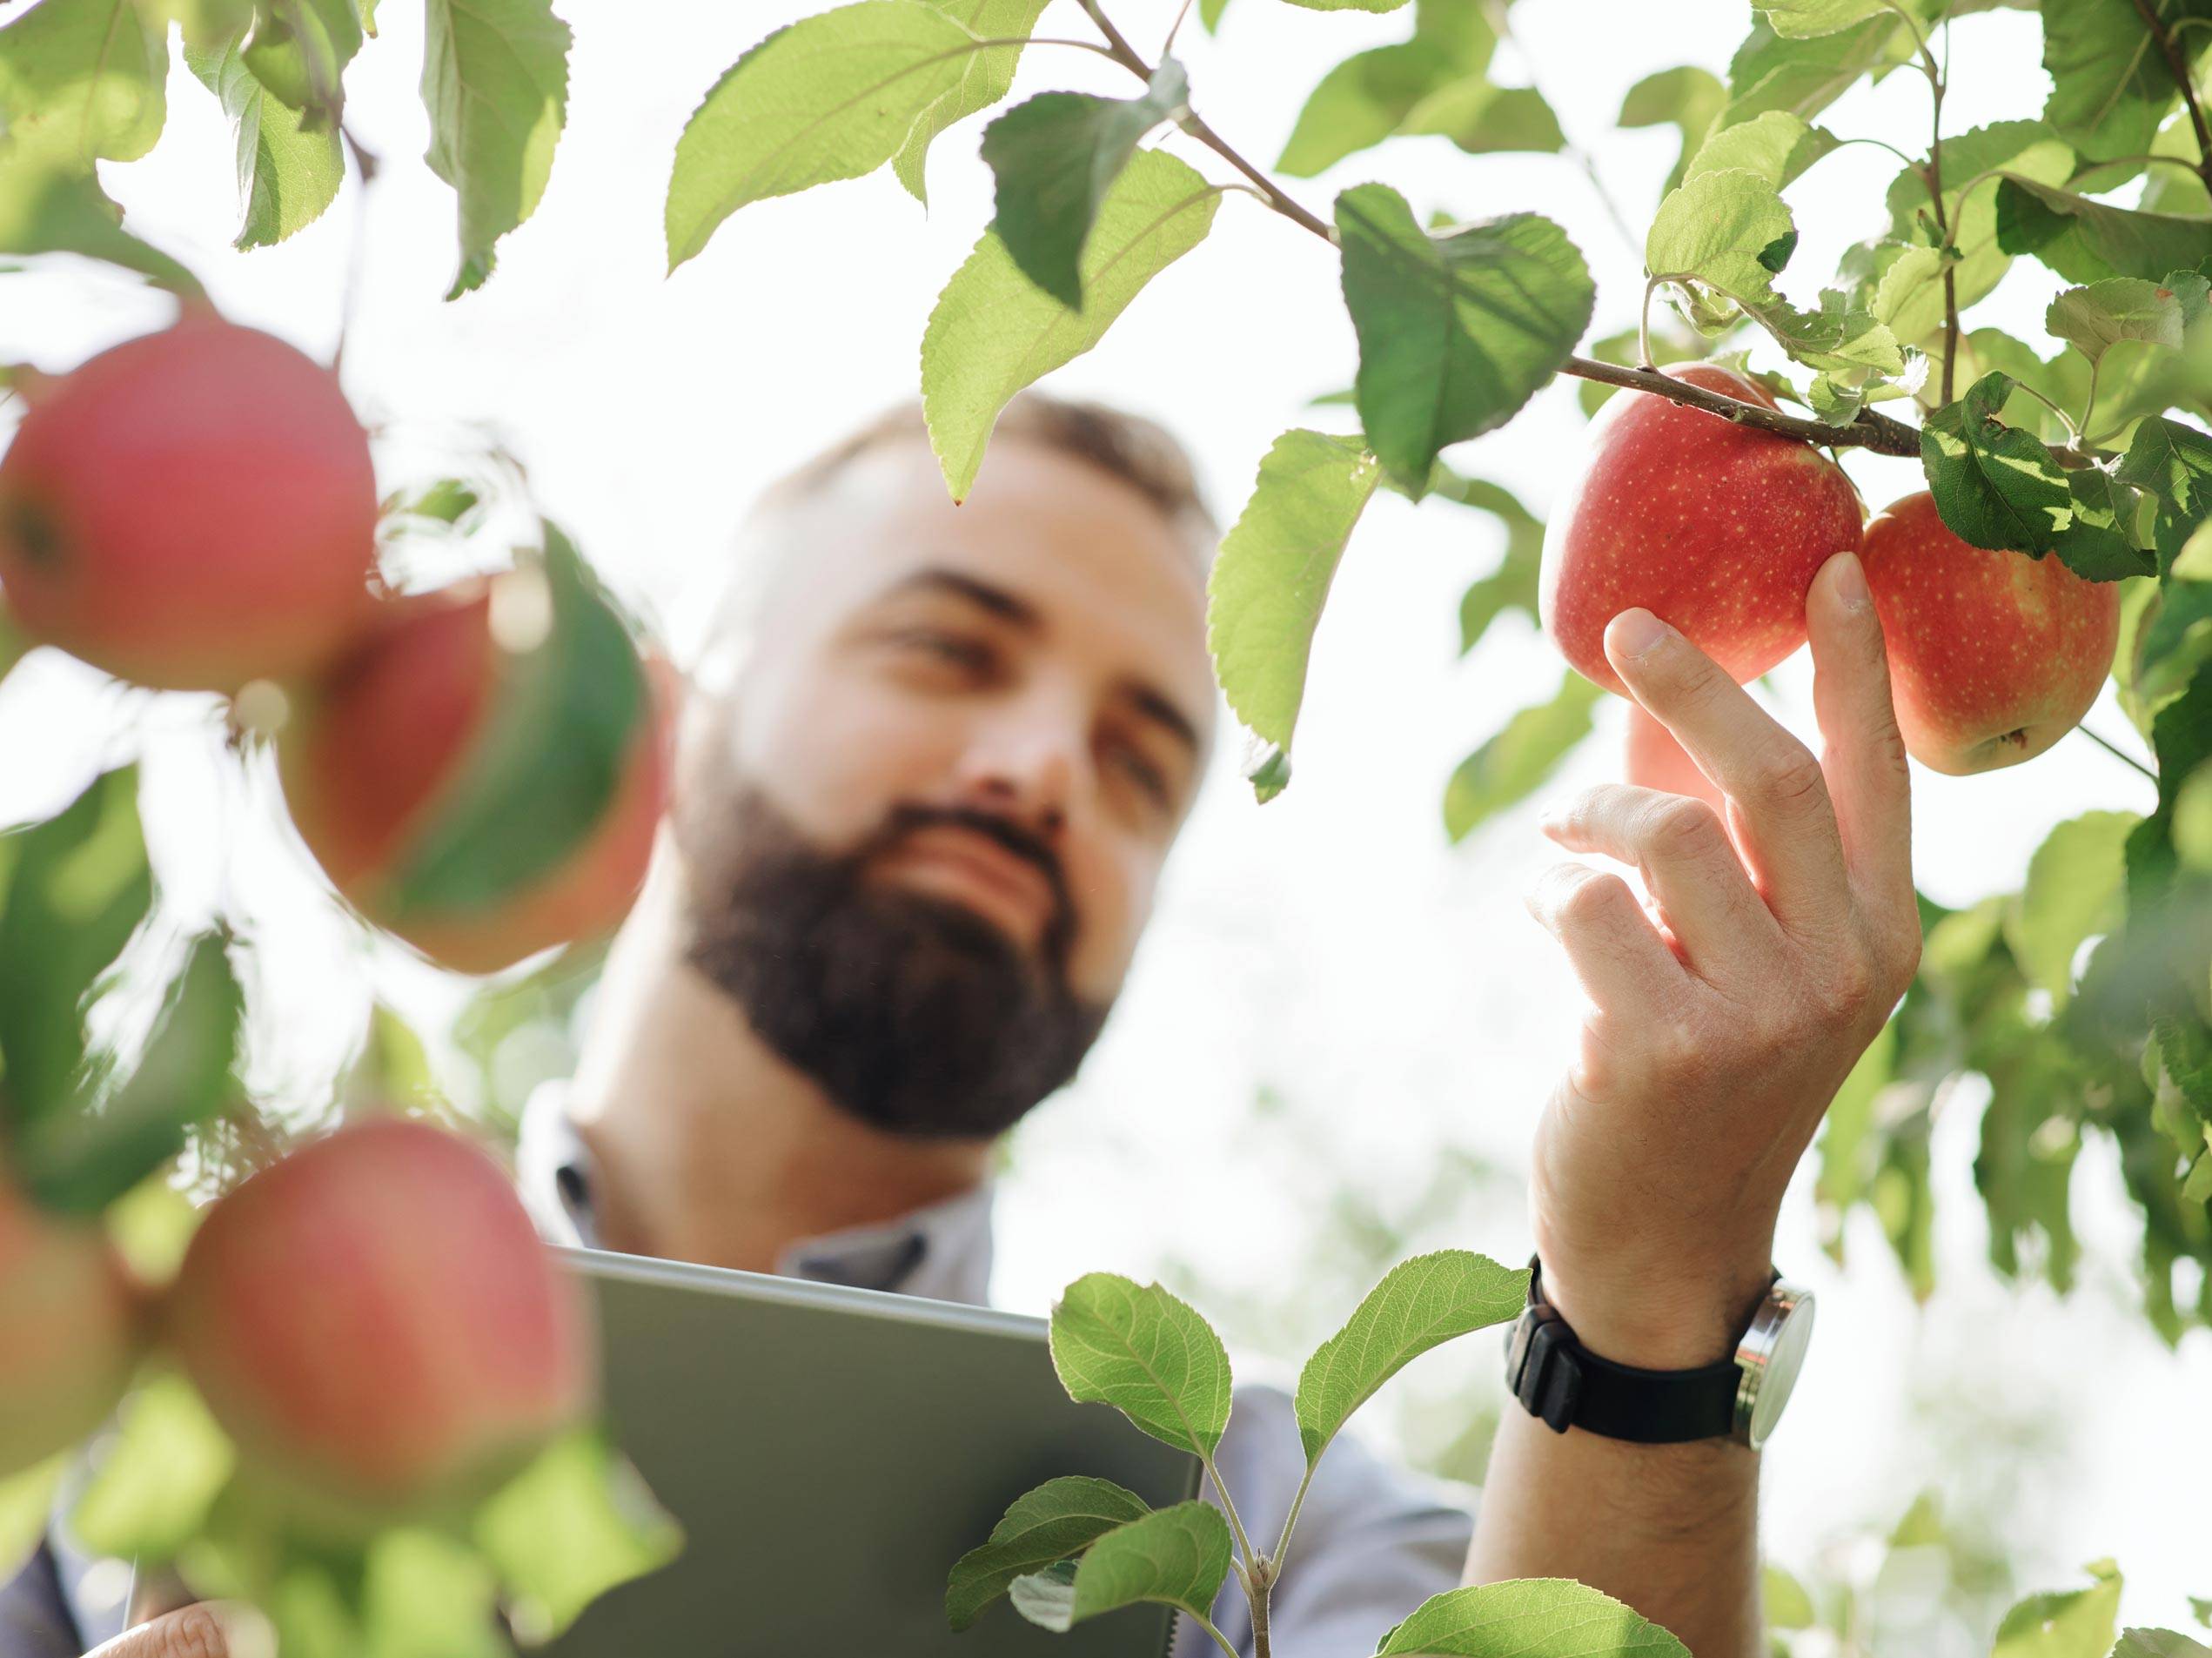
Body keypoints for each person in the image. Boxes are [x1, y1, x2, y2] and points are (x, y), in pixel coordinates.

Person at [18, 386, 1920, 1658]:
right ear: (676, 703)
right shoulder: (150, 1356)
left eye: (1134, 757)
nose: (1035, 770)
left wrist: (1645, 1307)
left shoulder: (1273, 1525)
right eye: (944, 646)